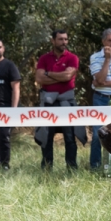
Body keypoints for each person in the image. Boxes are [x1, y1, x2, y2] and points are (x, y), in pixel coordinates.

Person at [34, 30, 81, 169]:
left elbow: (68, 77)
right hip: (48, 102)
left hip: (67, 102)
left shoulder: (72, 58)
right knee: (46, 136)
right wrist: (59, 76)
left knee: (69, 137)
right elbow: (39, 78)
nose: (64, 42)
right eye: (60, 39)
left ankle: (71, 168)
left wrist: (48, 74)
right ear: (53, 41)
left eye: (66, 39)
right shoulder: (44, 58)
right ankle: (47, 168)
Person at [89, 28, 111, 170]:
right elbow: (100, 78)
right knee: (97, 135)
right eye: (109, 40)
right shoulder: (95, 57)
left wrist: (104, 82)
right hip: (101, 99)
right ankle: (95, 166)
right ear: (103, 41)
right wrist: (107, 59)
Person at [0, 38, 21, 170]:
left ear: (3, 49)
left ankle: (5, 164)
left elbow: (16, 88)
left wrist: (14, 109)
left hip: (4, 107)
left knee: (3, 137)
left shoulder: (9, 66)